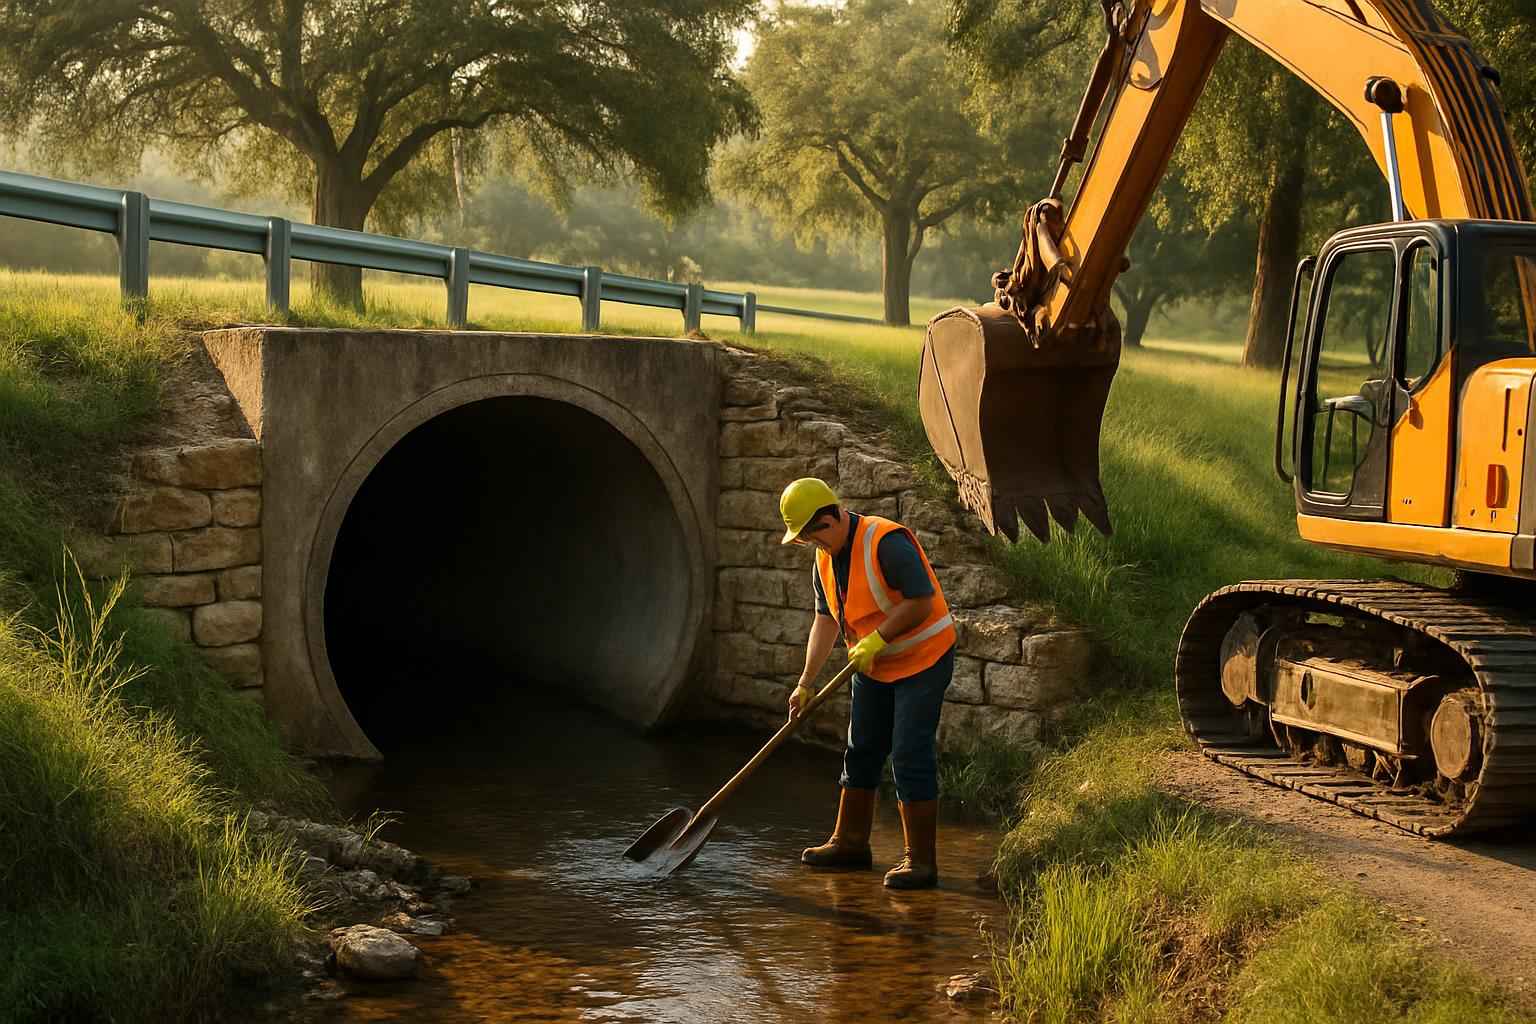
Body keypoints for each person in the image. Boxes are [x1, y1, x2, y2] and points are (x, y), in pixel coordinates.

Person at [778, 477, 956, 889]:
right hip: (873, 664)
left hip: (923, 658)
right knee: (861, 749)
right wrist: (805, 682)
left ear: (833, 517)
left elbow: (920, 601)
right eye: (806, 539)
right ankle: (851, 843)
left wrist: (877, 639)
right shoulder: (823, 559)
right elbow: (825, 620)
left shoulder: (886, 542)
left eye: (816, 534)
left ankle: (921, 862)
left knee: (909, 754)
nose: (814, 545)